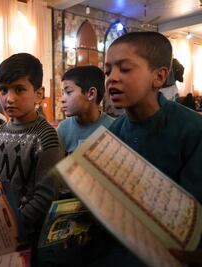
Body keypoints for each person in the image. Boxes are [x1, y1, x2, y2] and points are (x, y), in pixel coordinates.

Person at [104, 31, 202, 266]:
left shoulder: (193, 130)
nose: (112, 78)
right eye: (107, 71)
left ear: (158, 77)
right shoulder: (112, 134)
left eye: (124, 69)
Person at [0, 53, 65, 251]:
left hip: (28, 233)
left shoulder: (46, 137)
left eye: (19, 89)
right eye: (3, 90)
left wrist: (12, 224)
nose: (9, 98)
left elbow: (45, 198)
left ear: (38, 93)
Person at [57, 66, 114, 155]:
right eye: (62, 93)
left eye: (68, 92)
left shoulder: (114, 128)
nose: (62, 99)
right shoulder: (63, 130)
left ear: (91, 94)